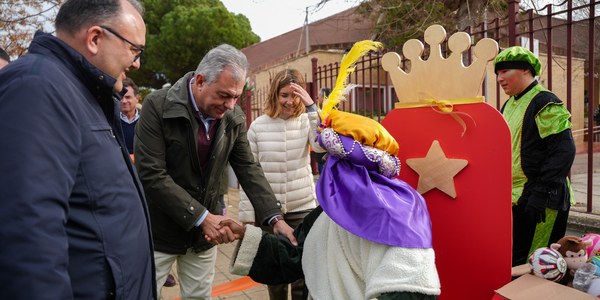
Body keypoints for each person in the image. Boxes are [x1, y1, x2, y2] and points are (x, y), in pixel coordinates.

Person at [0, 0, 155, 299]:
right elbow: (27, 240)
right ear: (95, 38)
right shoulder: (37, 87)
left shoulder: (82, 91)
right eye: (136, 50)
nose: (137, 63)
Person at [215, 110, 441, 300]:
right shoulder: (327, 212)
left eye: (329, 159)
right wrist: (244, 234)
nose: (324, 164)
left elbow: (413, 288)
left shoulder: (401, 217)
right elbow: (296, 254)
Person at [134, 43, 296, 299]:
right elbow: (151, 174)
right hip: (158, 233)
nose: (231, 105)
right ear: (200, 81)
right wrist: (203, 217)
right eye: (224, 95)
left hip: (204, 238)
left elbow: (248, 168)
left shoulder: (234, 118)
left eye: (236, 96)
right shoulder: (158, 106)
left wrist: (275, 218)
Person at [237, 68, 323, 300]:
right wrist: (247, 216)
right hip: (269, 212)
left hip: (302, 206)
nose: (289, 101)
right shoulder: (257, 126)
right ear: (275, 94)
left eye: (295, 95)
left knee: (302, 273)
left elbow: (322, 145)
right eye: (284, 94)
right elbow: (248, 173)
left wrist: (311, 107)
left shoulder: (306, 122)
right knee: (274, 273)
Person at [494, 46, 576, 266]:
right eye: (497, 73)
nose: (500, 78)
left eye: (505, 71)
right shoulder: (508, 104)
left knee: (536, 263)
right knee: (515, 261)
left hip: (542, 199)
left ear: (525, 70)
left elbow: (563, 151)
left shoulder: (544, 102)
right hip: (517, 197)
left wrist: (541, 193)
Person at [120, 78, 141, 154]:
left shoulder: (146, 122)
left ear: (137, 98)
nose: (124, 101)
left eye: (128, 97)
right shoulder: (111, 122)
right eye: (121, 97)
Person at [314, 87, 331, 174]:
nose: (318, 98)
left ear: (324, 97)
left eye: (319, 96)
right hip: (322, 151)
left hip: (326, 151)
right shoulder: (322, 110)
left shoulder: (327, 112)